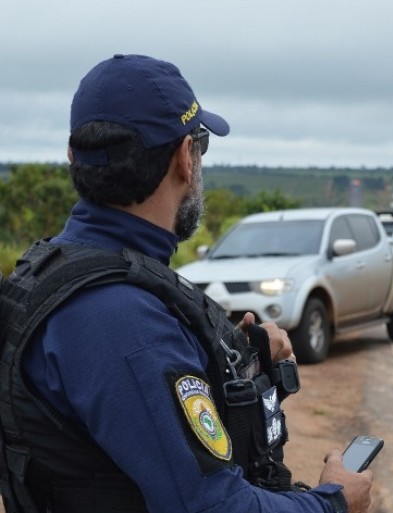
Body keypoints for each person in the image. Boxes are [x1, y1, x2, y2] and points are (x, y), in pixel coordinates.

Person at [0, 54, 372, 513]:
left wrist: (234, 358)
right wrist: (334, 503)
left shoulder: (58, 272)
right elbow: (212, 507)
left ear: (74, 156)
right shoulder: (118, 316)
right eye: (200, 145)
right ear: (183, 157)